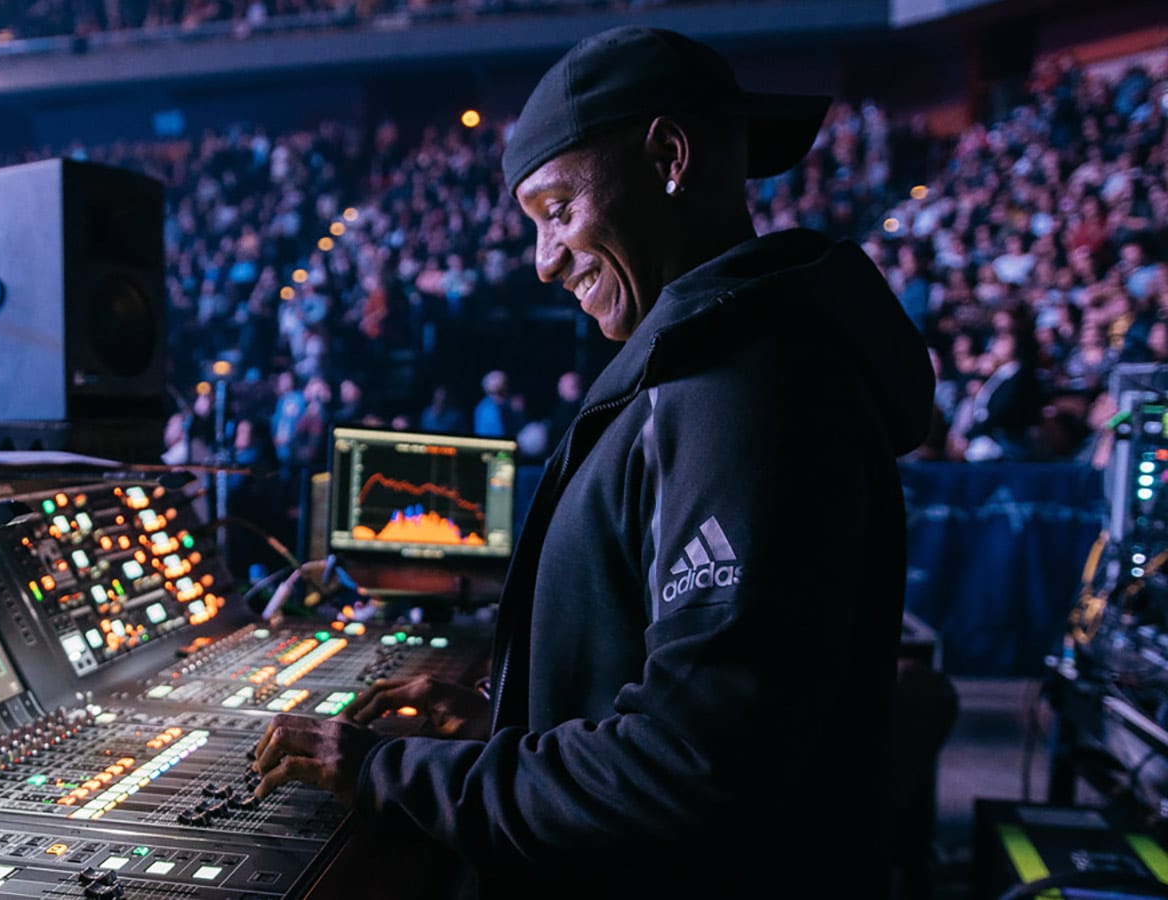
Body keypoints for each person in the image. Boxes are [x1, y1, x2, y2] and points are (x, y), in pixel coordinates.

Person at [250, 26, 933, 897]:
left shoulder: (746, 391)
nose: (542, 263)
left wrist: (385, 771)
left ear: (668, 158)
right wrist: (515, 717)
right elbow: (682, 687)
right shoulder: (717, 368)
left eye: (558, 212)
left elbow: (687, 769)